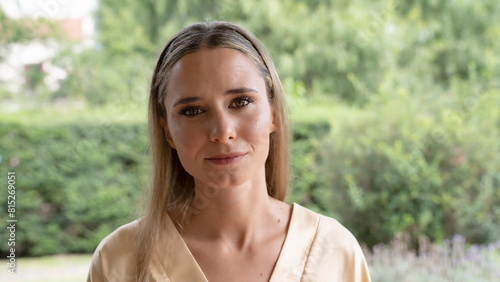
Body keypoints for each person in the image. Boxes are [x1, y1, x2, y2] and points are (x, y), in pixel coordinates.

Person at [87, 21, 371, 282]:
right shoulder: (119, 260)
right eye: (193, 110)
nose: (222, 132)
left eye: (241, 101)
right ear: (167, 131)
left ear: (273, 113)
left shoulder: (335, 252)